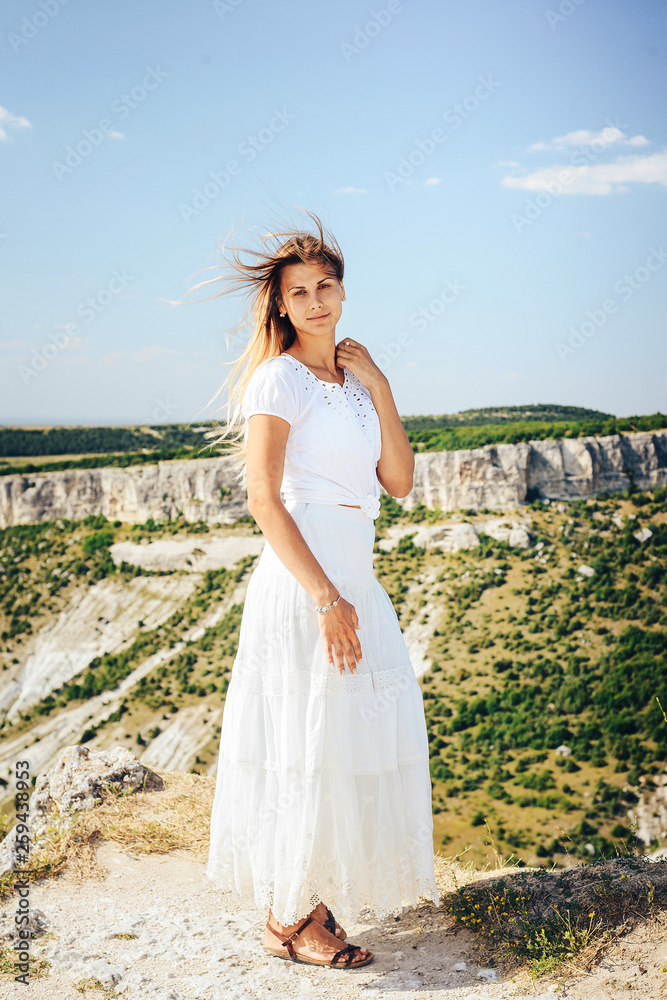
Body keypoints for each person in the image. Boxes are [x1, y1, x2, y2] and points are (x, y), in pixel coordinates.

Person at [204, 213, 439, 970]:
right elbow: (263, 499)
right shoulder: (278, 379)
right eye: (297, 292)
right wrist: (324, 598)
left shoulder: (356, 384)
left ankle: (307, 896)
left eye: (325, 286)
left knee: (344, 737)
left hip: (357, 571)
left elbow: (398, 483)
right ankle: (289, 918)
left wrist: (381, 382)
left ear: (342, 292)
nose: (314, 302)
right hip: (306, 579)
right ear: (279, 305)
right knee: (300, 740)